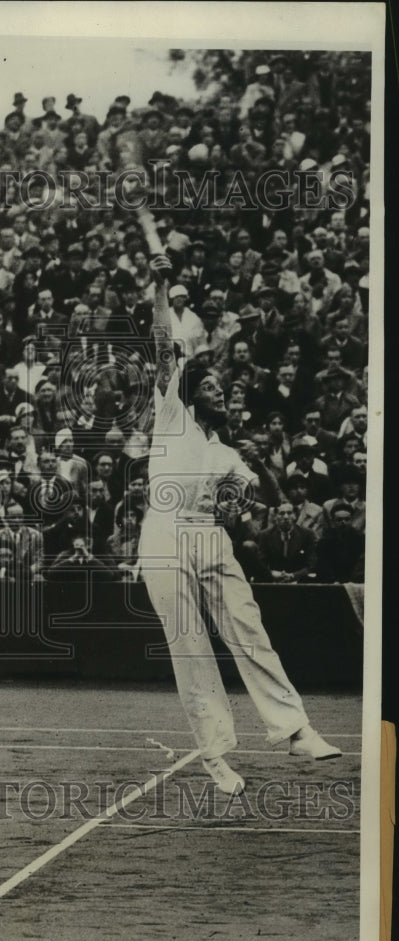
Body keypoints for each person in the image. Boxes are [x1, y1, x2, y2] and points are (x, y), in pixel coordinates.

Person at [137, 244, 340, 797]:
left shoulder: (228, 451)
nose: (220, 392)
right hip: (163, 535)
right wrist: (159, 288)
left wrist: (236, 504)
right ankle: (215, 756)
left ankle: (295, 728)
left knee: (248, 629)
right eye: (211, 387)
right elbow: (161, 347)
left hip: (209, 538)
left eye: (223, 389)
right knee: (191, 647)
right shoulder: (172, 412)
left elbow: (249, 493)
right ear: (190, 394)